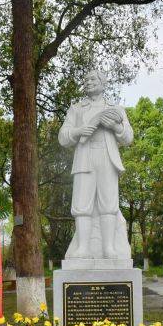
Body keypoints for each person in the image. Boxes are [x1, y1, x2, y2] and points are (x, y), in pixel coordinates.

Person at [58, 69, 133, 259]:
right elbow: (63, 137)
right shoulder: (76, 109)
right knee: (82, 205)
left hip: (107, 158)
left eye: (92, 78)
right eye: (86, 79)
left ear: (103, 82)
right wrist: (79, 131)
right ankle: (83, 248)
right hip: (85, 157)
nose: (88, 82)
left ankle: (109, 248)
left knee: (108, 204)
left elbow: (128, 137)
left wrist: (115, 126)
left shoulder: (115, 108)